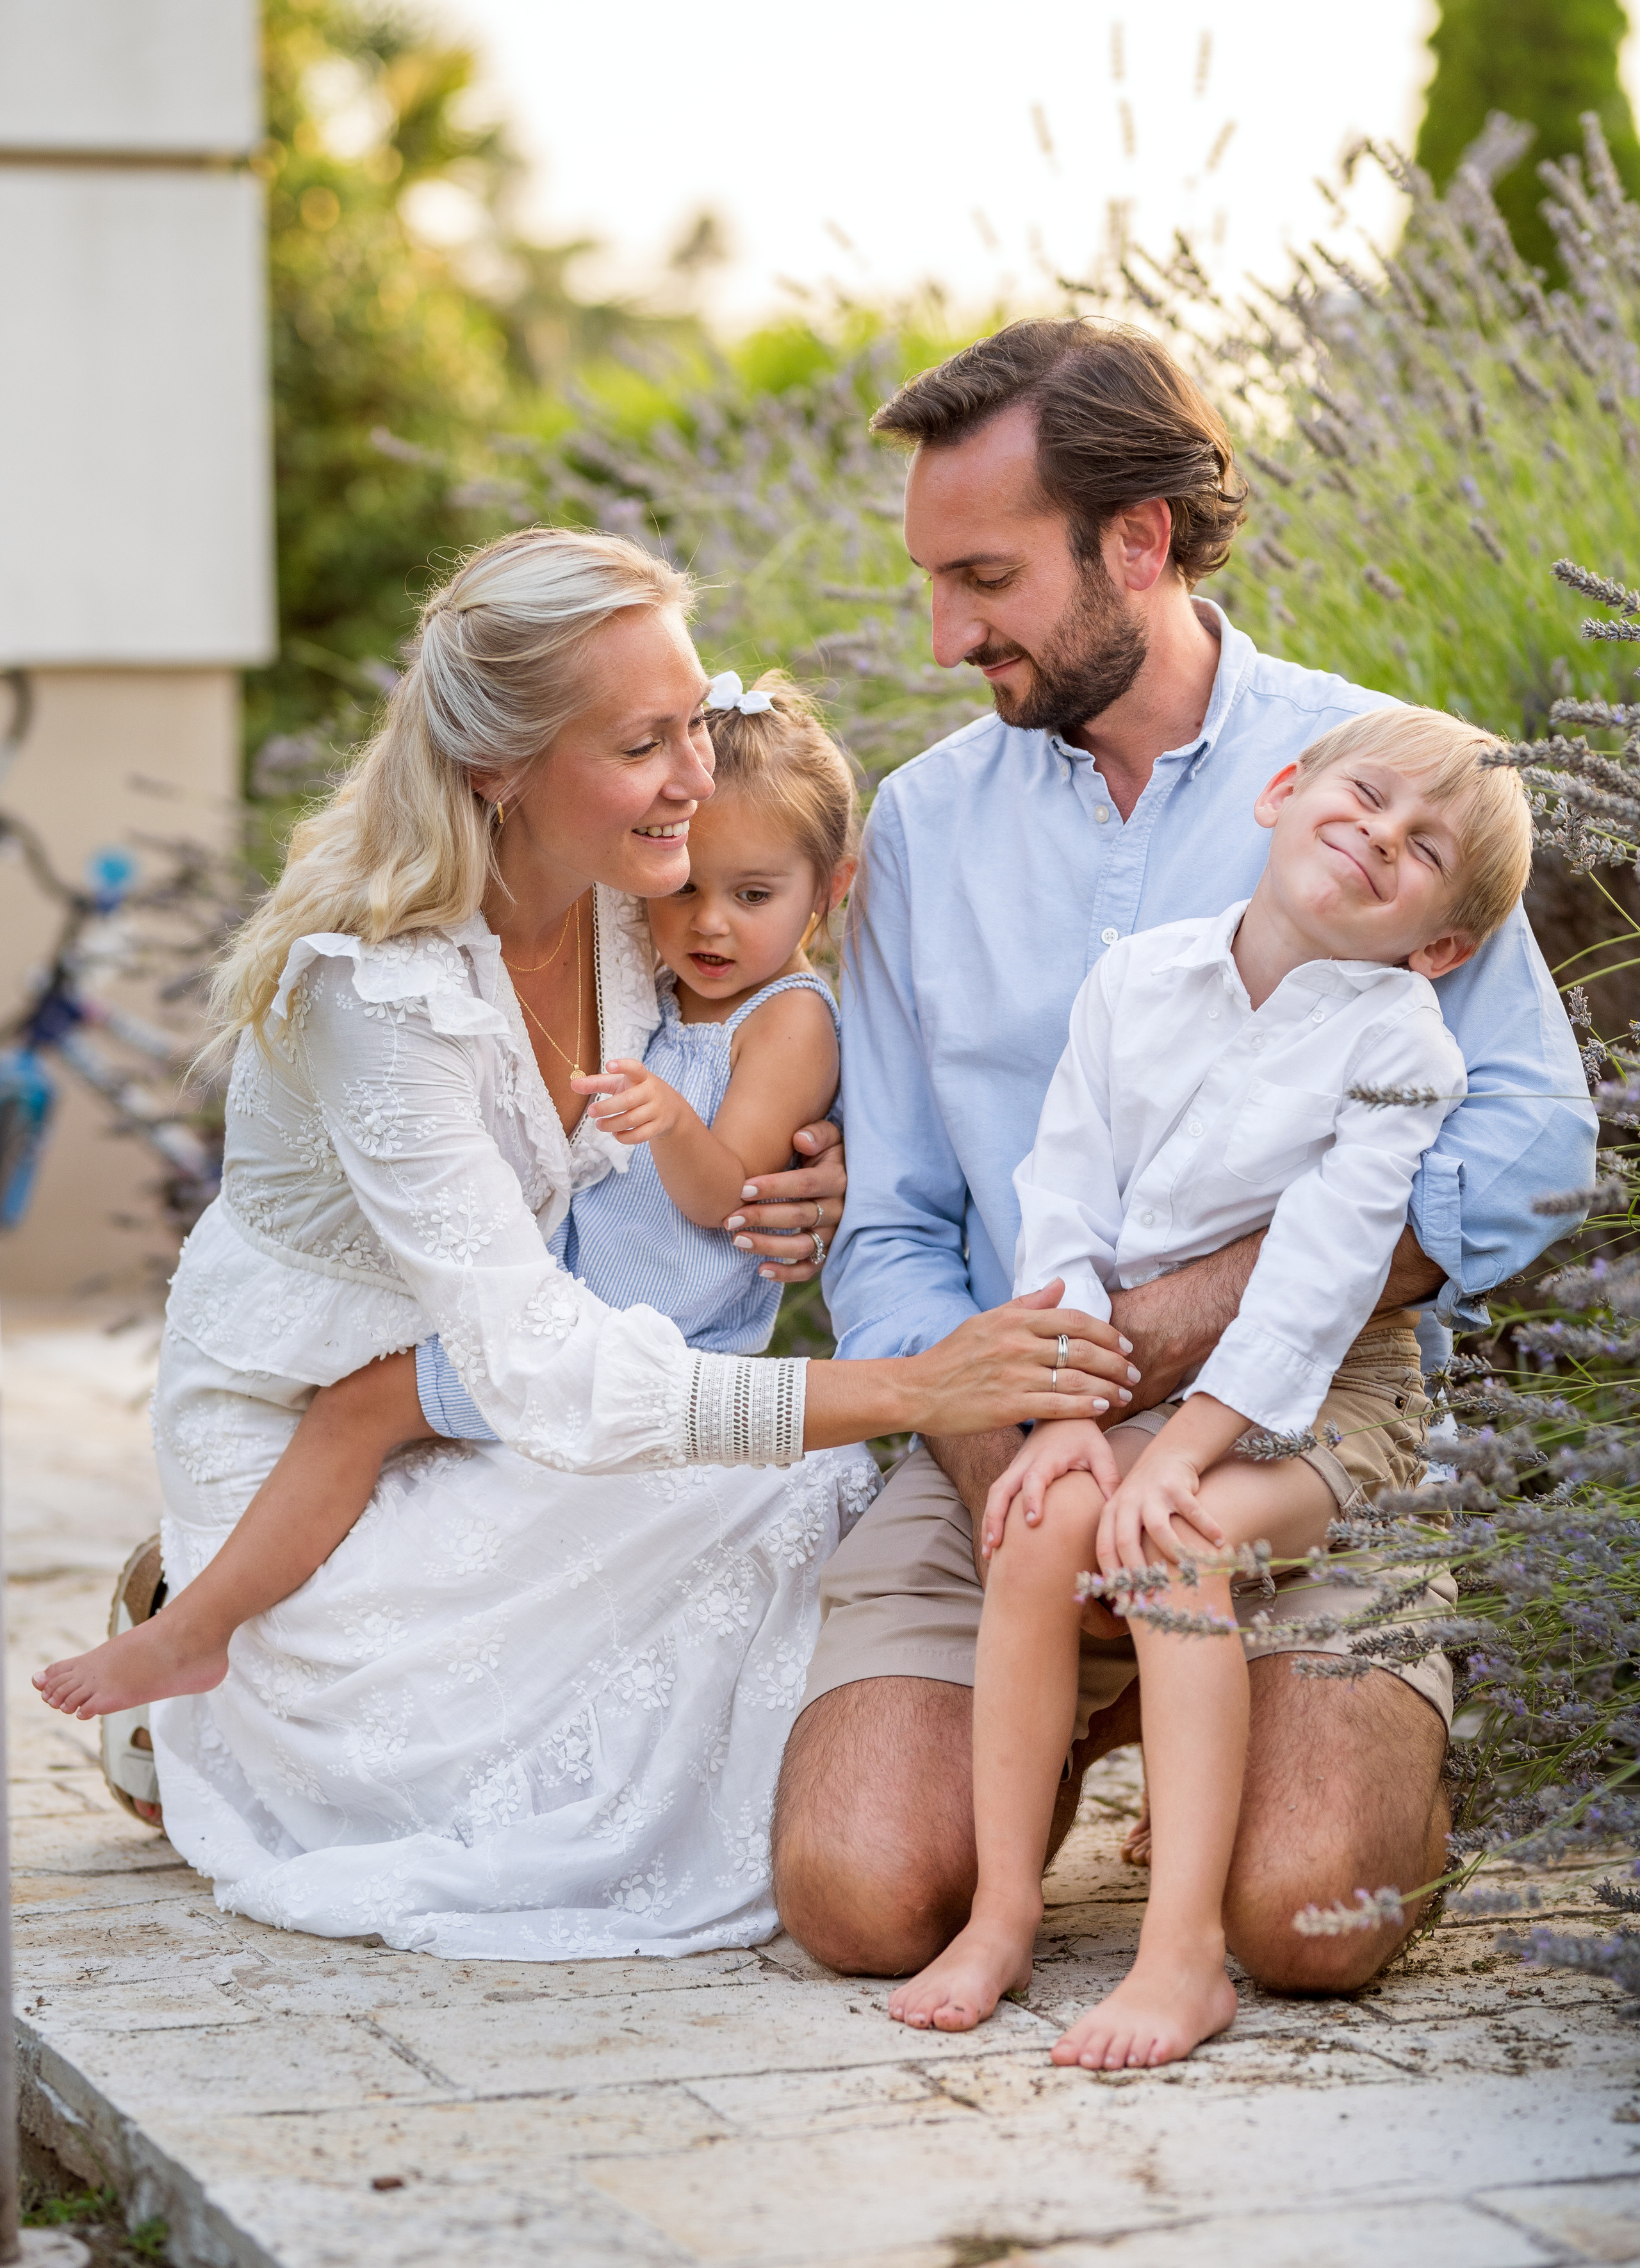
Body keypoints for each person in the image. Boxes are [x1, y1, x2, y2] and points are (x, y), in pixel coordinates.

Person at [69, 526, 1129, 1963]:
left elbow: (724, 1105)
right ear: (498, 769)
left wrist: (792, 1180)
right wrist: (909, 1387)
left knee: (775, 1522)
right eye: (645, 743)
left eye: (693, 721)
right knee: (772, 1506)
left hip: (509, 1376)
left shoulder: (644, 908)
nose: (696, 776)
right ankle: (209, 1645)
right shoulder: (380, 1000)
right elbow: (545, 1372)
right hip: (340, 1418)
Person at [773, 318, 1595, 1998]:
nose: (943, 636)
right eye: (931, 579)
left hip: (1297, 1429)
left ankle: (1296, 1729)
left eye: (985, 578)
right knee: (858, 1897)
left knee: (1308, 1920)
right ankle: (1101, 1703)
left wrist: (1188, 1334)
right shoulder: (925, 827)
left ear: (1135, 542)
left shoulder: (1384, 793)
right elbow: (902, 1221)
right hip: (1006, 1431)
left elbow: (1527, 1146)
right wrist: (1020, 1465)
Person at [888, 706, 1532, 2064]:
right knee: (1036, 1529)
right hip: (1117, 1378)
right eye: (1361, 799)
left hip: (1322, 1403)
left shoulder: (1400, 1045)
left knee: (1173, 1547)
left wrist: (1180, 1455)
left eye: (1420, 850)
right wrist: (1064, 1419)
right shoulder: (1136, 981)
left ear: (1440, 945)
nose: (1375, 837)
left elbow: (1314, 1280)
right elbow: (1057, 1196)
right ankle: (1005, 1913)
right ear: (1283, 792)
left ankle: (1178, 1955)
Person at [35, 666, 862, 1721]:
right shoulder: (647, 954)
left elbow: (722, 1196)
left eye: (752, 896)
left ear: (827, 892)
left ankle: (188, 1632)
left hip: (644, 1324)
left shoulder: (785, 1016)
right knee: (386, 1443)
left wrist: (674, 1124)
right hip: (577, 1301)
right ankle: (198, 1619)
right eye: (690, 886)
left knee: (361, 1409)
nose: (706, 925)